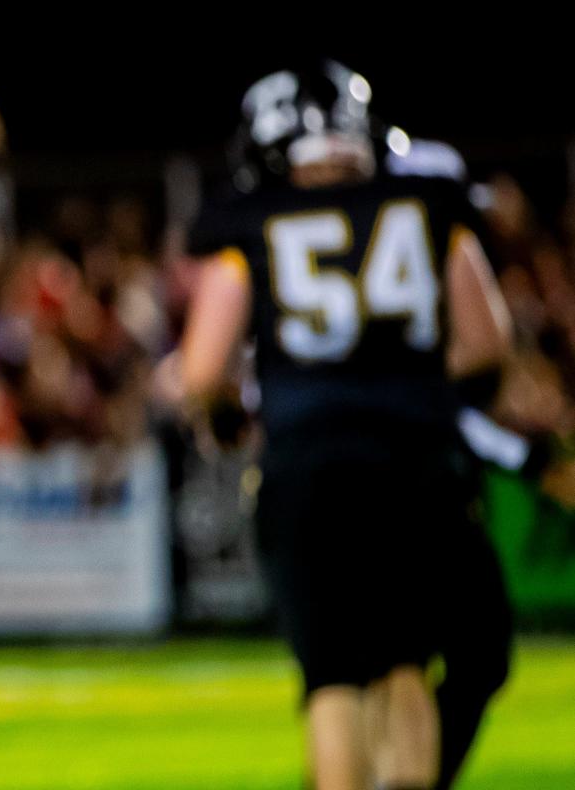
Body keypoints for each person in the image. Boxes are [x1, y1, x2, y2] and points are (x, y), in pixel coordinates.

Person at [160, 61, 512, 790]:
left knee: (331, 674)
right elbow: (484, 344)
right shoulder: (426, 202)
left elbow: (200, 373)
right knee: (405, 661)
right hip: (417, 464)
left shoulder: (250, 218)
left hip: (309, 466)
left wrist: (229, 418)